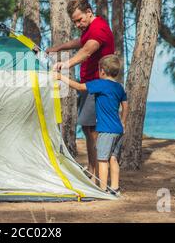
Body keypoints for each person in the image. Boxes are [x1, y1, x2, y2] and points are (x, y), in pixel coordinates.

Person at [46, 0, 115, 178]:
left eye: (79, 20)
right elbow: (80, 42)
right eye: (74, 22)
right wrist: (58, 48)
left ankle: (98, 174)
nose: (77, 24)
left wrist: (65, 64)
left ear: (89, 13)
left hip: (98, 86)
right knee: (87, 129)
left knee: (93, 132)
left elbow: (86, 51)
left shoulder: (99, 28)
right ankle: (92, 170)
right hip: (90, 85)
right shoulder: (89, 29)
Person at [53, 54, 128, 196]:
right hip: (118, 129)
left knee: (102, 160)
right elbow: (125, 106)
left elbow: (80, 87)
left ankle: (103, 189)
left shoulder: (99, 84)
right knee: (113, 158)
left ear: (102, 71)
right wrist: (123, 122)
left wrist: (61, 77)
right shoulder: (119, 87)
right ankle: (115, 188)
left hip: (106, 130)